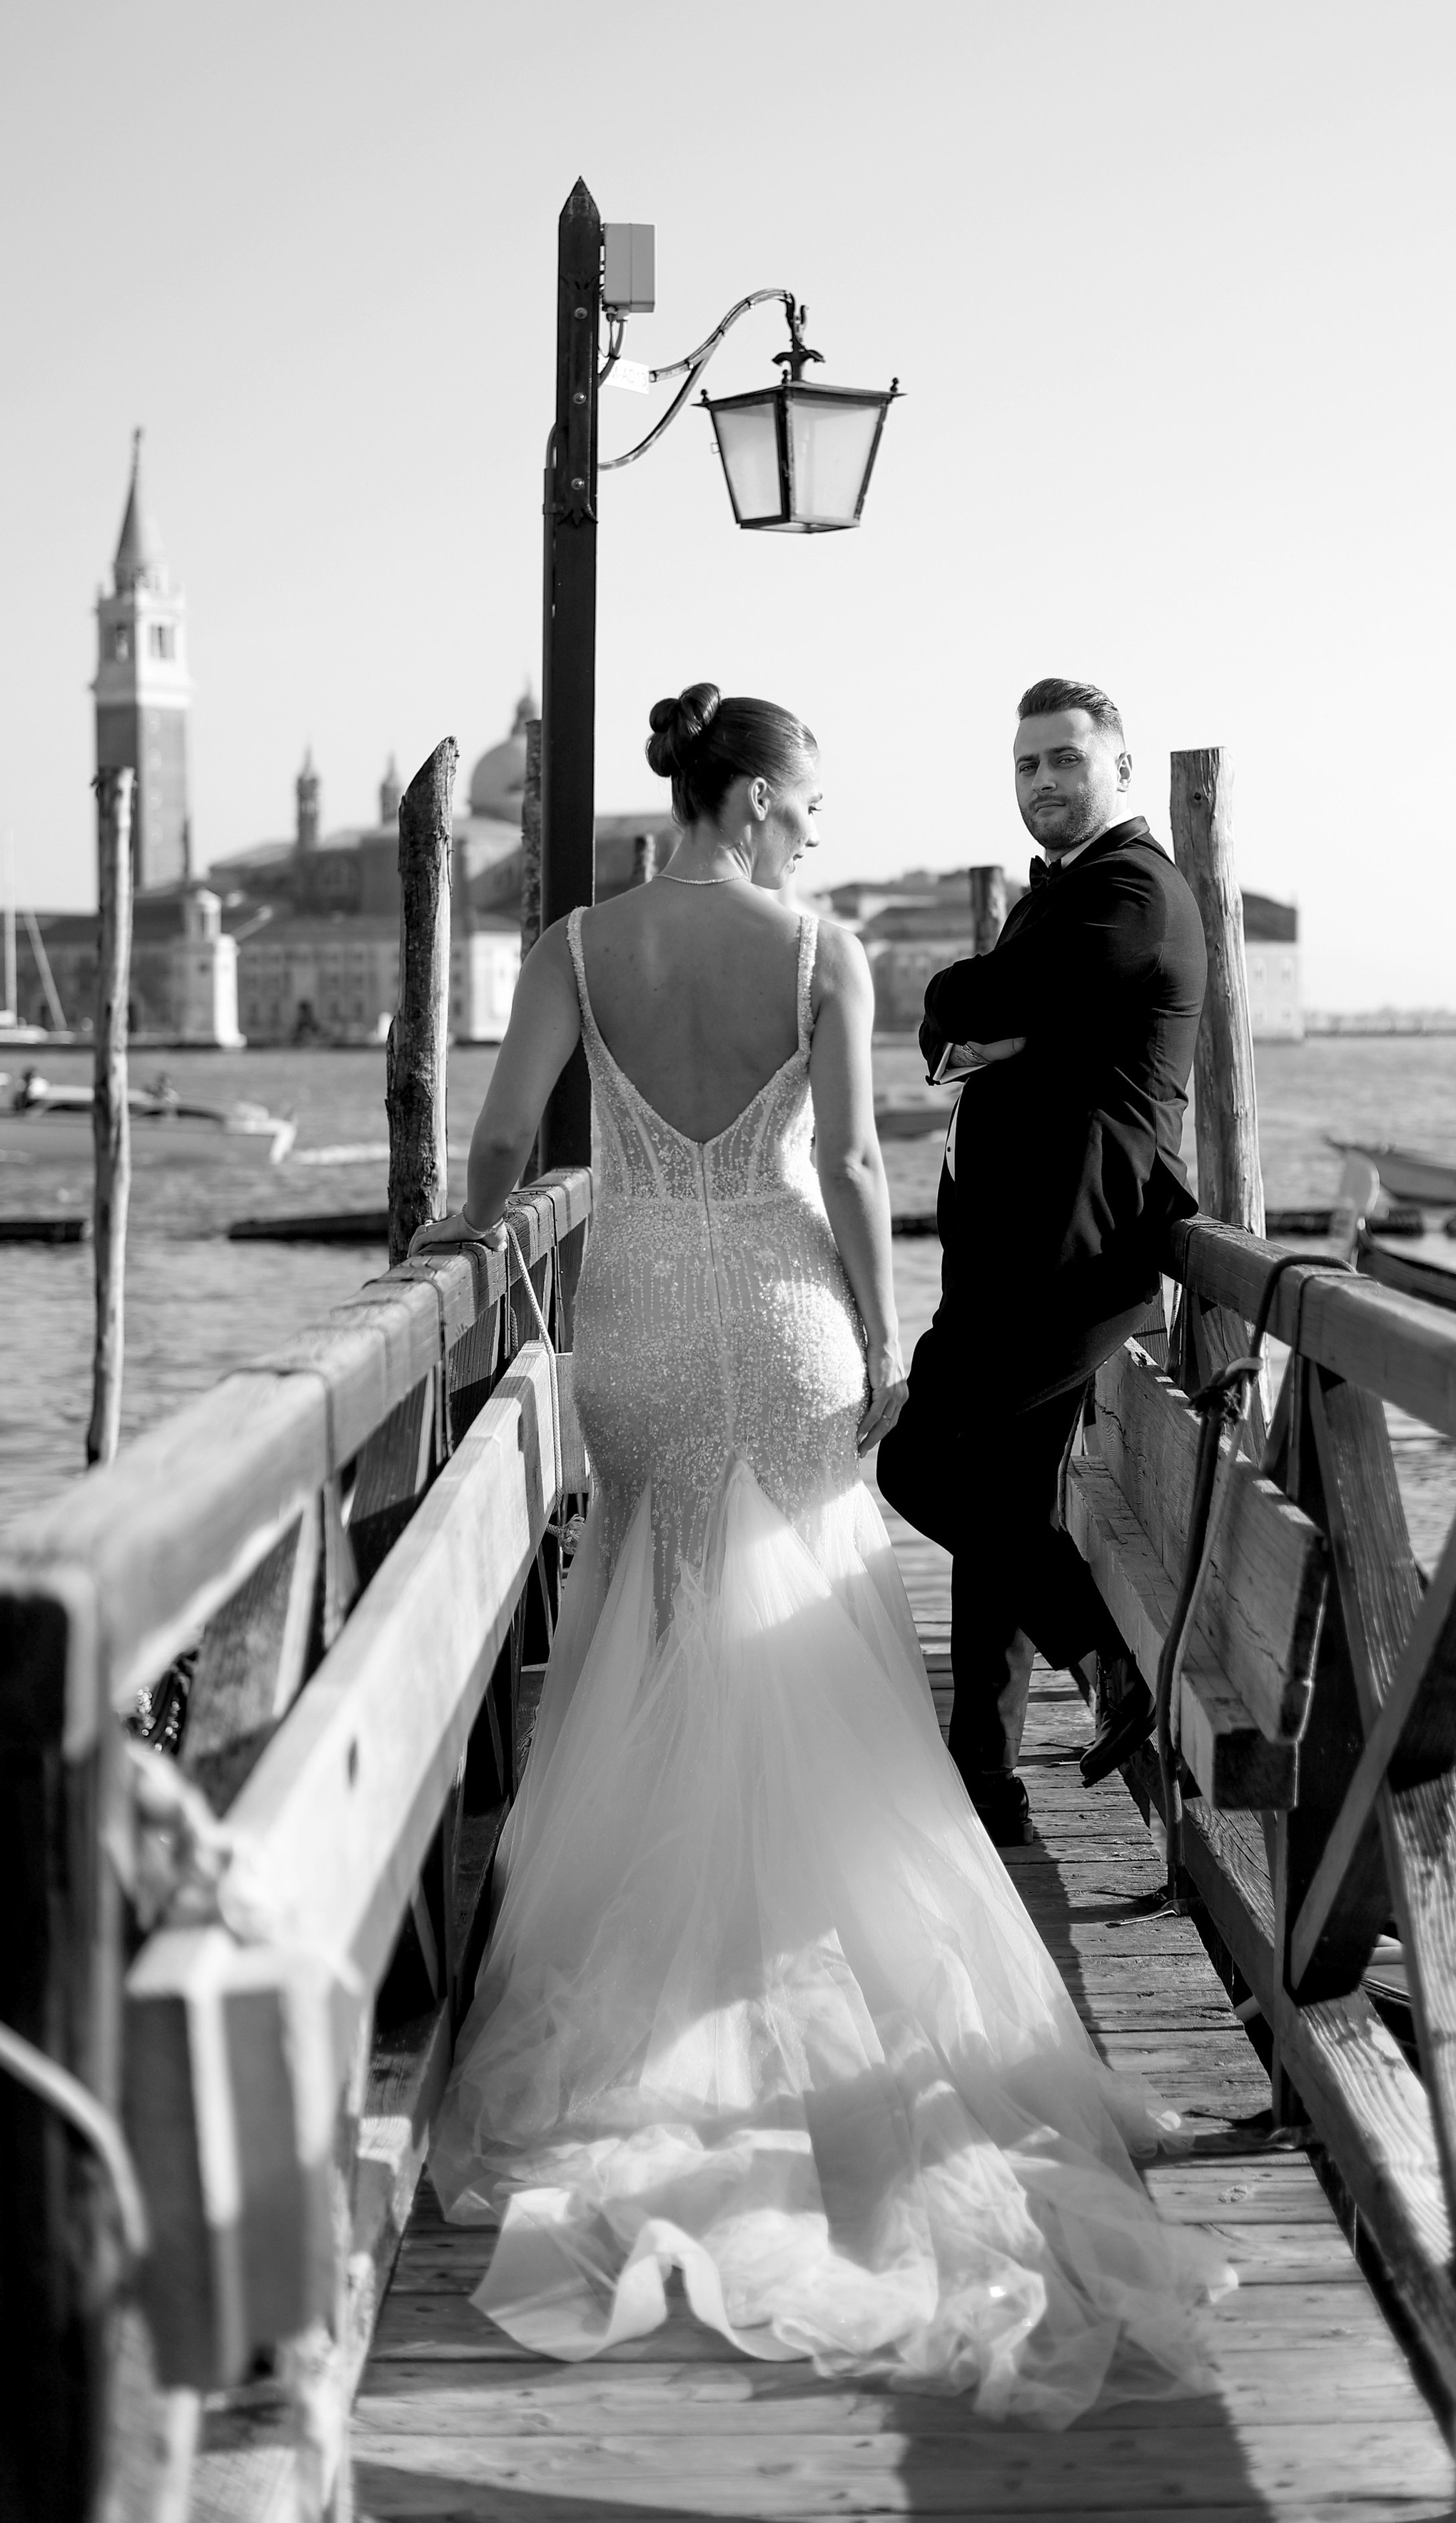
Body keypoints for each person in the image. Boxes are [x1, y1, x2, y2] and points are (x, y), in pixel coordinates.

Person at [413, 683, 1232, 2421]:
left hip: (632, 1315)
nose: (817, 828)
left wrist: (463, 1249)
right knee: (800, 1617)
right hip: (782, 1314)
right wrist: (874, 1340)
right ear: (765, 800)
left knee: (656, 1605)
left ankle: (645, 1974)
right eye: (809, 802)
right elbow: (855, 1160)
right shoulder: (823, 954)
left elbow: (501, 1143)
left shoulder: (574, 940)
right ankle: (805, 1976)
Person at [876, 679, 1206, 1846]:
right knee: (999, 1501)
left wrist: (982, 1005)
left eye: (1066, 760)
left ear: (1121, 766)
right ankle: (987, 1783)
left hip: (1074, 1257)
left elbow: (980, 1000)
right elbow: (954, 1021)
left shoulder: (1132, 892)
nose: (1044, 783)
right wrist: (977, 1009)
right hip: (1017, 1260)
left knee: (920, 1467)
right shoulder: (1063, 902)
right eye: (1025, 767)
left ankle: (1106, 1659)